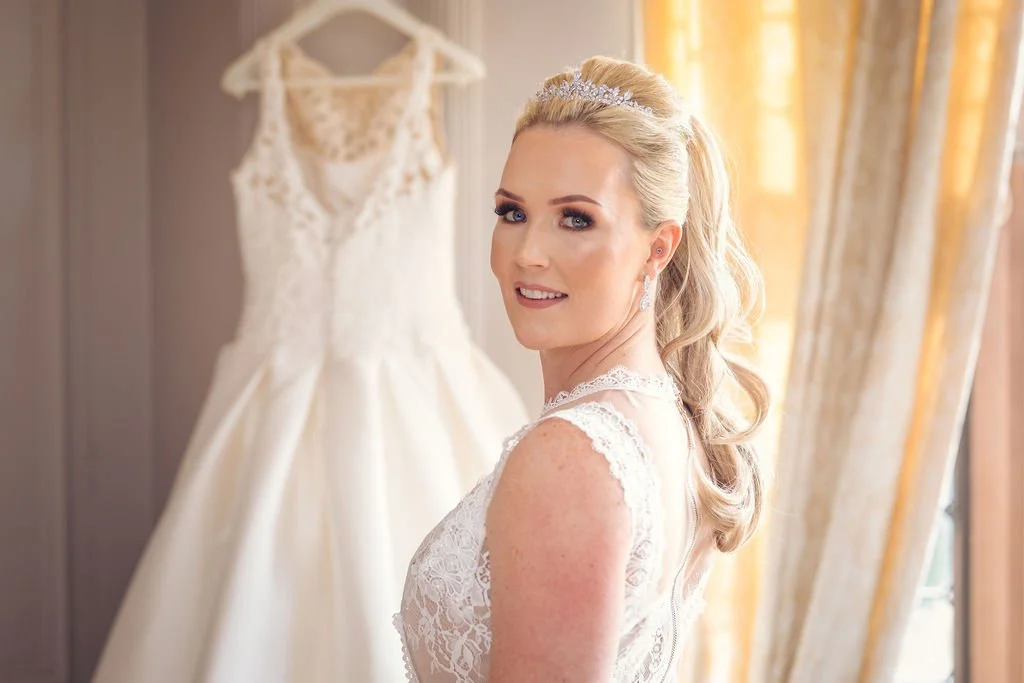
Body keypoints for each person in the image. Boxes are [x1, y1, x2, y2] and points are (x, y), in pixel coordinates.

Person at [393, 55, 770, 682]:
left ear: (658, 248)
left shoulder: (571, 455)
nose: (527, 254)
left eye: (576, 219)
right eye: (512, 212)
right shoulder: (664, 417)